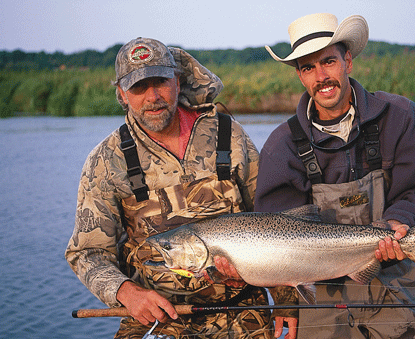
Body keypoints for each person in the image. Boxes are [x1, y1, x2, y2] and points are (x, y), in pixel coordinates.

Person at [65, 37, 273, 339]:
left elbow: (274, 221)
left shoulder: (229, 134)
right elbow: (87, 253)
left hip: (243, 313)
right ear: (122, 94)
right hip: (156, 320)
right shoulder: (106, 161)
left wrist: (286, 302)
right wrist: (127, 292)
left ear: (177, 80)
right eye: (138, 87)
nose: (152, 97)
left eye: (160, 81)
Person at [255, 13, 415, 339]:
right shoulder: (280, 146)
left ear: (348, 61)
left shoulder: (399, 116)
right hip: (322, 306)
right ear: (299, 76)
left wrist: (400, 222)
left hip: (396, 289)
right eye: (308, 68)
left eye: (328, 61)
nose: (321, 76)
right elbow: (273, 231)